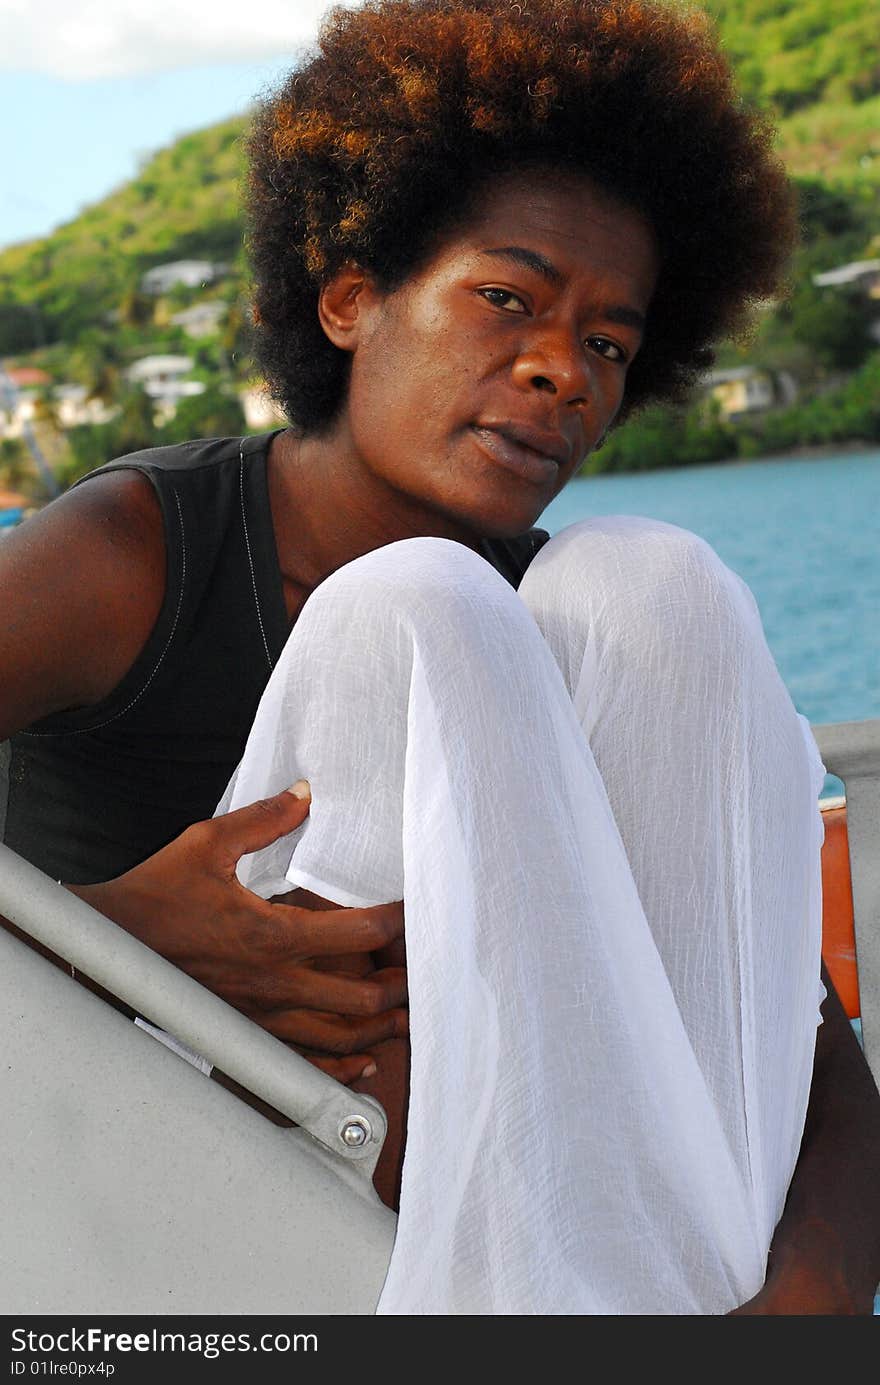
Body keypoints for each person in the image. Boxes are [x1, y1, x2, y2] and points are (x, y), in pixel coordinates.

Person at [1, 0, 878, 1312]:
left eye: (607, 344)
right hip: (138, 1208)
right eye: (506, 299)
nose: (558, 371)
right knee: (419, 607)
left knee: (655, 581)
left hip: (554, 1254)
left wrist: (797, 1311)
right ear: (351, 297)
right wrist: (120, 937)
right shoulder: (134, 552)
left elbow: (790, 1032)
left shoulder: (591, 624)